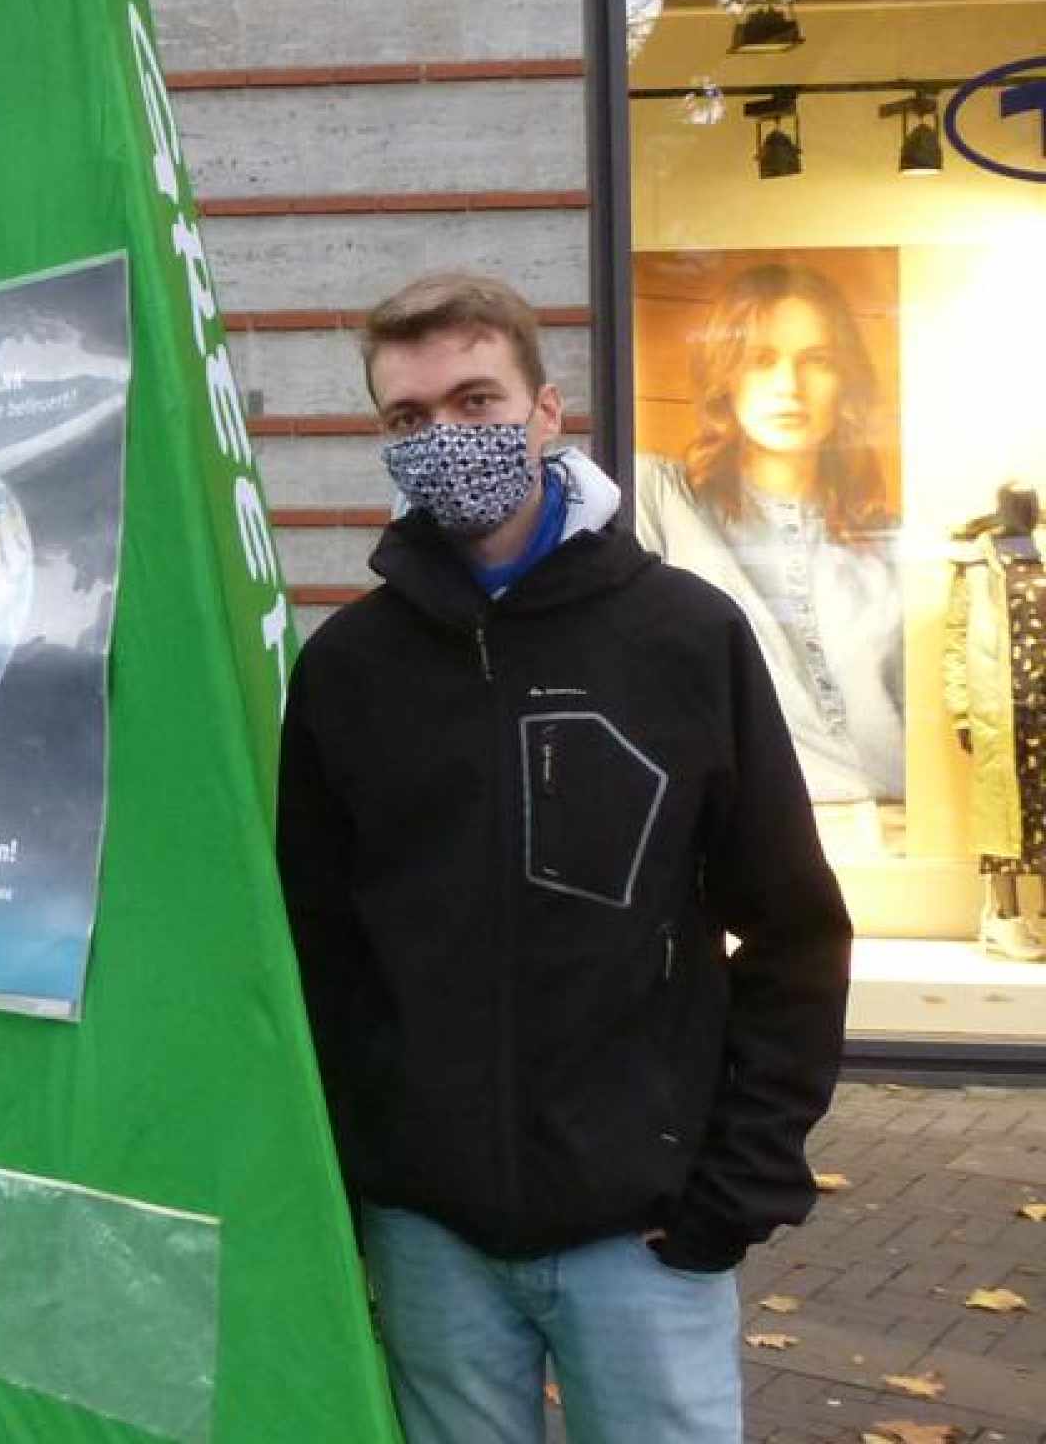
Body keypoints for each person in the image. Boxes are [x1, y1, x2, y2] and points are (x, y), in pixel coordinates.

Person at [275, 273, 852, 1443]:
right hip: (427, 1235)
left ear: (544, 411)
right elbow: (318, 949)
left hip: (640, 1235)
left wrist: (735, 1183)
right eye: (406, 417)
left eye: (474, 400)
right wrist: (353, 1176)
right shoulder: (345, 671)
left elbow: (792, 928)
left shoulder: (683, 636)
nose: (443, 438)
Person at [636, 263, 905, 804]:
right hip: (746, 826)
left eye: (817, 360)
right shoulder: (663, 498)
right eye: (761, 360)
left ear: (844, 380)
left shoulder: (891, 540)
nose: (789, 387)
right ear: (726, 377)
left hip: (898, 822)